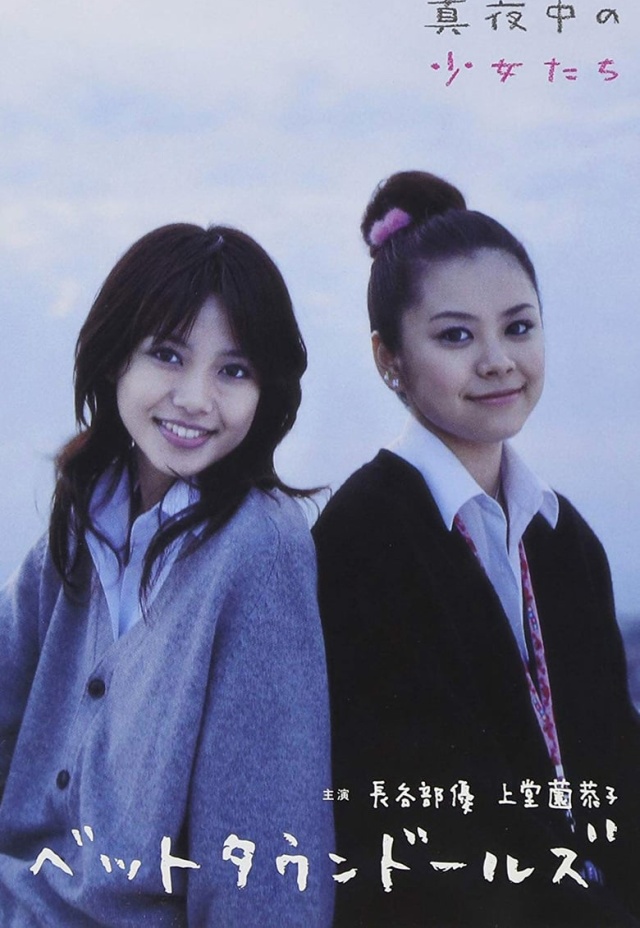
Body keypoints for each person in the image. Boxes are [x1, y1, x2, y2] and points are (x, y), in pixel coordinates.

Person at [313, 171, 640, 927]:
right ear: (388, 358)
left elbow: (614, 767)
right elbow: (423, 814)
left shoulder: (564, 536)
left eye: (518, 328)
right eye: (456, 336)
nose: (497, 360)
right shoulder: (361, 537)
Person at [0, 223, 334, 927]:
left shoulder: (259, 548)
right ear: (114, 359)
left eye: (233, 371)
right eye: (168, 355)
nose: (195, 398)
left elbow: (265, 855)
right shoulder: (85, 516)